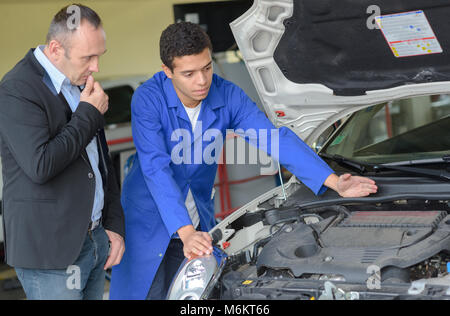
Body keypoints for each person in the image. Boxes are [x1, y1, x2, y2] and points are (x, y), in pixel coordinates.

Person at [109, 22, 377, 300]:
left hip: (195, 217)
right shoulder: (148, 99)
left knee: (192, 297)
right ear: (167, 72)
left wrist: (335, 182)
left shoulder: (227, 94)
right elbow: (155, 168)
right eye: (189, 74)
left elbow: (273, 139)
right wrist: (185, 232)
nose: (202, 81)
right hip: (148, 218)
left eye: (207, 68)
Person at [0, 4, 125, 300]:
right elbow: (41, 164)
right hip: (51, 252)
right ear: (56, 49)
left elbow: (100, 163)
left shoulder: (77, 80)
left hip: (96, 239)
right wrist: (88, 114)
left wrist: (114, 226)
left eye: (99, 56)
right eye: (88, 57)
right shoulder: (16, 89)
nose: (96, 67)